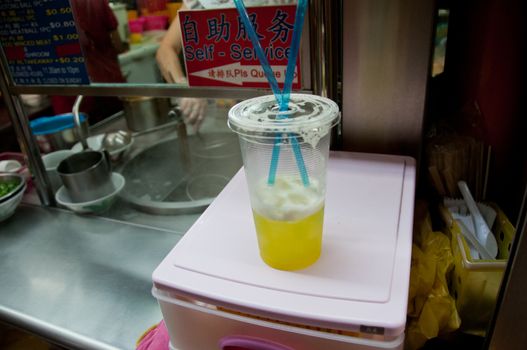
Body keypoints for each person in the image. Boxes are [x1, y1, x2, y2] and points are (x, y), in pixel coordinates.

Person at [51, 0, 127, 124]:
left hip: (73, 96)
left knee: (81, 140)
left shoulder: (47, 7)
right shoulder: (97, 2)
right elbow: (117, 43)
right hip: (109, 85)